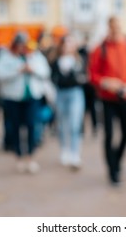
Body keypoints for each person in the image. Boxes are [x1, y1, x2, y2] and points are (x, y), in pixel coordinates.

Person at [89, 16, 126, 186]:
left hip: (125, 96)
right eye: (113, 27)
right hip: (107, 98)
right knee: (109, 135)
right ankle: (112, 170)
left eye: (118, 27)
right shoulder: (101, 48)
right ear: (108, 27)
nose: (115, 30)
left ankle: (117, 160)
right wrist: (105, 82)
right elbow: (93, 74)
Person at [0, 32, 50, 174]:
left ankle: (30, 156)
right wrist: (18, 71)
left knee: (32, 125)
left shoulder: (35, 56)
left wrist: (32, 70)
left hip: (32, 97)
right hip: (13, 97)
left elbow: (45, 72)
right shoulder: (5, 56)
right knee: (15, 126)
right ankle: (18, 155)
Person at [51, 35, 87, 170]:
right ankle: (64, 150)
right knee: (61, 124)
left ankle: (75, 153)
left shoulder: (78, 60)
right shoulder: (56, 61)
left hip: (75, 93)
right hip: (61, 93)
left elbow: (83, 77)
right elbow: (52, 78)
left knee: (74, 124)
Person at [79, 35, 98, 134]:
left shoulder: (94, 54)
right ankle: (82, 128)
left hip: (91, 85)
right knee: (83, 108)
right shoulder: (81, 54)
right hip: (84, 85)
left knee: (92, 107)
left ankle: (94, 126)